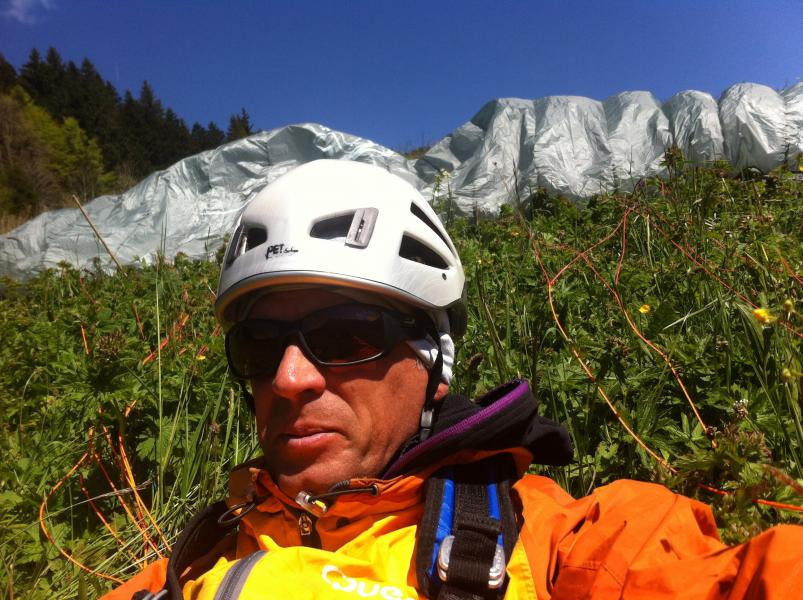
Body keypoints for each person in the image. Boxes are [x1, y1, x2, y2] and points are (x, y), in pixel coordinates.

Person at [105, 160, 802, 600]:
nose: (288, 378)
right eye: (259, 345)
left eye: (346, 337)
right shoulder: (189, 564)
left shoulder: (558, 544)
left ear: (434, 365)